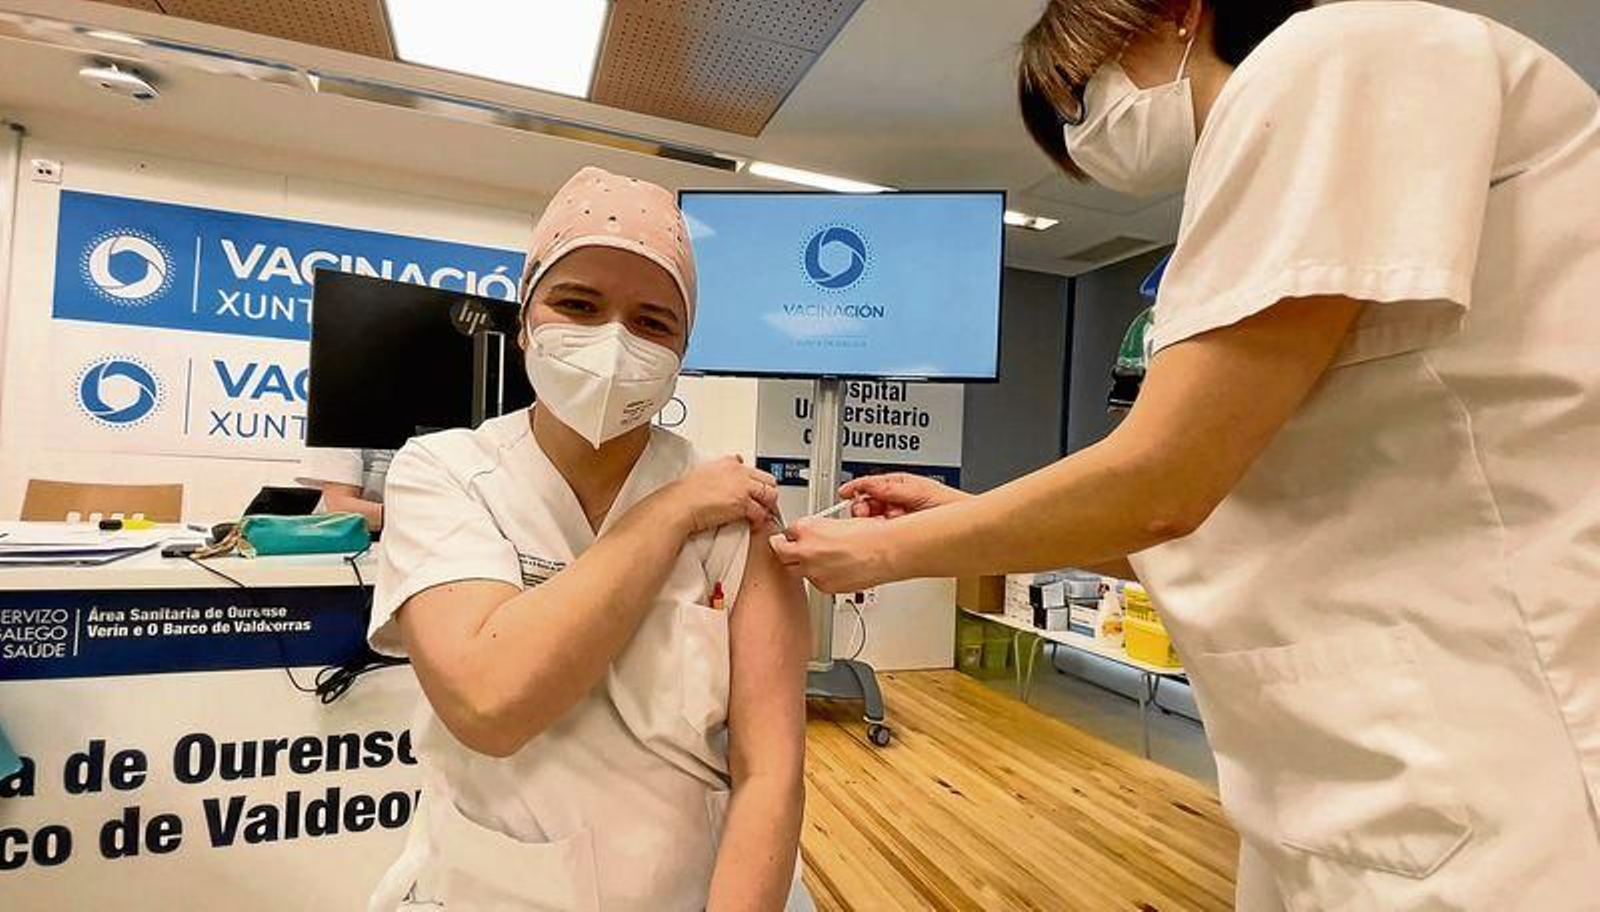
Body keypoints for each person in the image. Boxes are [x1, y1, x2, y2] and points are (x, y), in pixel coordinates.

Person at [772, 1, 1600, 907]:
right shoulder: (1275, 178)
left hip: (1485, 749)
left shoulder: (1337, 54)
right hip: (1351, 767)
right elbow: (1220, 522)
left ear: (1175, 12)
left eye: (1079, 96)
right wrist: (970, 522)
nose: (1085, 138)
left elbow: (1163, 482)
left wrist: (884, 554)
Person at [367, 167, 812, 911]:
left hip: (693, 892)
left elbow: (771, 770)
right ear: (525, 325)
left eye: (652, 322)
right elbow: (490, 702)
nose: (614, 342)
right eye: (578, 304)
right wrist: (667, 515)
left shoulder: (737, 508)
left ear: (681, 353)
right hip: (488, 892)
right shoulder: (446, 473)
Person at [295, 447, 393, 531]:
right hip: (343, 541)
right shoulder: (343, 430)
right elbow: (340, 507)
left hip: (401, 540)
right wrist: (404, 517)